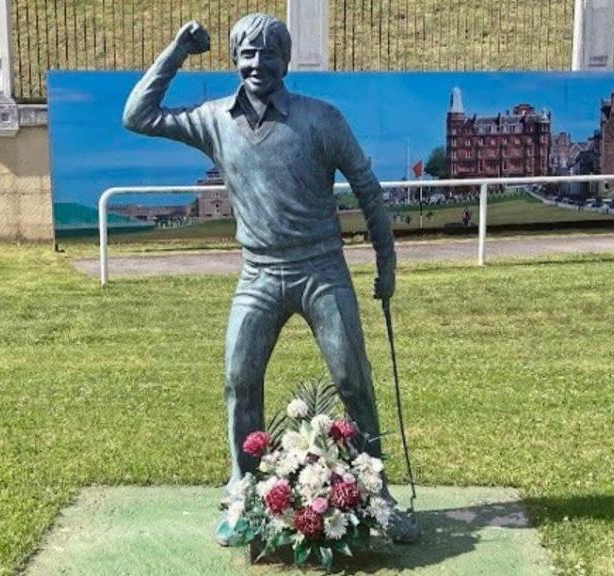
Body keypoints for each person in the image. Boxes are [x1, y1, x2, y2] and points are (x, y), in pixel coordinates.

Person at [122, 13, 419, 543]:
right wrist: (178, 50)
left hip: (321, 270)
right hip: (258, 273)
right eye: (247, 53)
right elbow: (137, 116)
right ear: (234, 59)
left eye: (269, 53)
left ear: (286, 59)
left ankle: (378, 495)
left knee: (353, 378)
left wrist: (387, 263)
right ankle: (244, 493)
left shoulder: (321, 118)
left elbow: (368, 189)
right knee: (240, 379)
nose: (258, 63)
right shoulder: (214, 118)